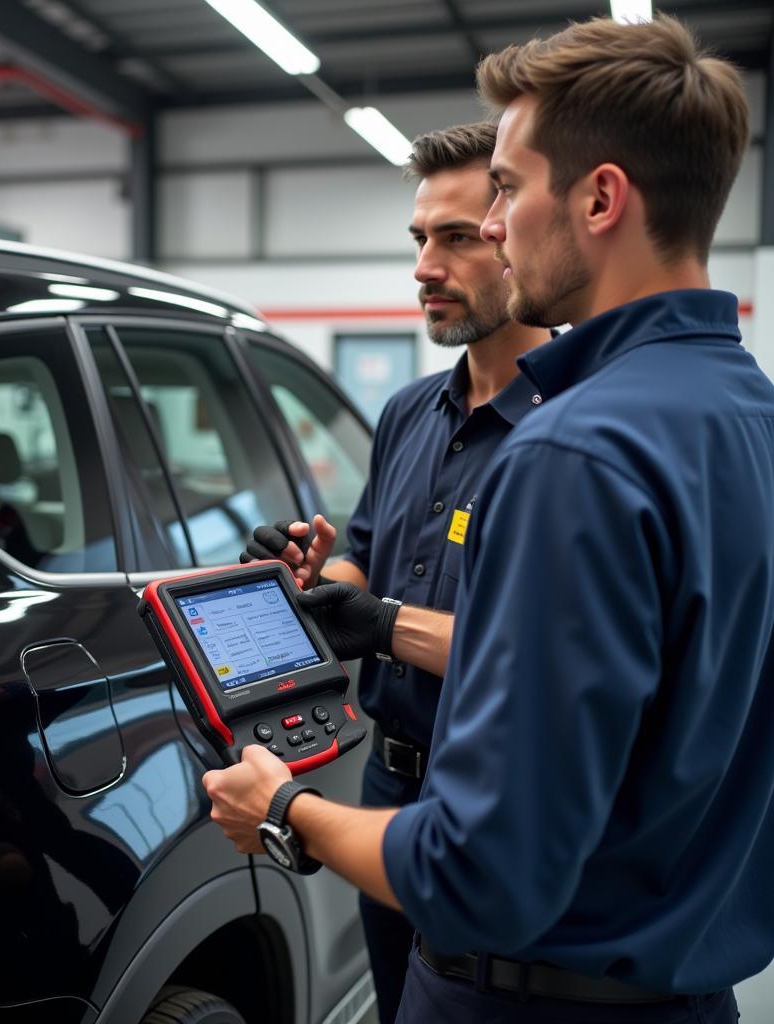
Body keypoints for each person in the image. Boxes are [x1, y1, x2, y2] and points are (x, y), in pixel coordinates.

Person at [208, 14, 774, 1023]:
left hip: (526, 991)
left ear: (601, 197)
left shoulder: (569, 450)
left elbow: (482, 869)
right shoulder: (747, 414)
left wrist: (284, 809)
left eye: (503, 194)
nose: (497, 232)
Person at [240, 122, 551, 1023]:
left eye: (455, 237)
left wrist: (377, 624)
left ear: (512, 232)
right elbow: (363, 555)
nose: (425, 266)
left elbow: (543, 663)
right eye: (420, 240)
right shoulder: (410, 412)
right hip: (389, 780)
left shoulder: (573, 430)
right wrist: (314, 571)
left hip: (496, 789)